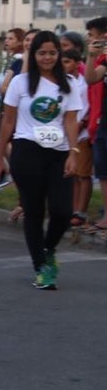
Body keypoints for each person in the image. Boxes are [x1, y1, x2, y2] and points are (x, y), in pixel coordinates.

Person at [0, 30, 82, 290]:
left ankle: (48, 248)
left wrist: (74, 153)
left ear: (59, 54)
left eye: (52, 53)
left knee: (62, 211)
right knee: (34, 212)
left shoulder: (69, 83)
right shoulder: (21, 83)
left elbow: (70, 120)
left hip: (59, 153)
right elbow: (8, 121)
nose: (47, 57)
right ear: (33, 54)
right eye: (42, 53)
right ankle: (40, 267)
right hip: (26, 149)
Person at [61, 48, 93, 227]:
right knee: (72, 175)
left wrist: (81, 125)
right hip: (66, 134)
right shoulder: (64, 82)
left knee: (83, 174)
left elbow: (87, 106)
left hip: (82, 132)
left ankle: (80, 211)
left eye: (68, 62)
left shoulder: (83, 83)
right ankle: (71, 209)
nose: (64, 65)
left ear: (76, 63)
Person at [83, 16, 107, 231]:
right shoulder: (103, 60)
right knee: (103, 170)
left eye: (92, 36)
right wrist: (91, 56)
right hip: (104, 122)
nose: (89, 39)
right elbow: (91, 78)